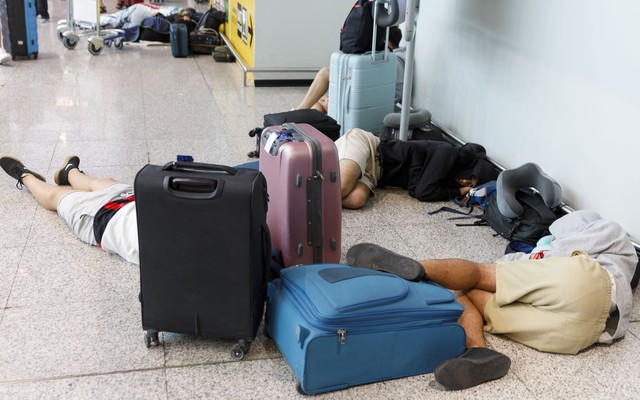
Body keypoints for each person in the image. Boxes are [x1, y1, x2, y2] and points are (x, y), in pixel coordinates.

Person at [346, 210, 638, 390]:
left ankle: (418, 266)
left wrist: (543, 250)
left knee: (476, 274)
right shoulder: (525, 258)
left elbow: (493, 271)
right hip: (582, 335)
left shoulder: (606, 230)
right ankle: (479, 353)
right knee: (463, 291)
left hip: (591, 285)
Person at [0, 156, 139, 264]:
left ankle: (26, 177)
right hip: (135, 202)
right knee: (105, 182)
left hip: (106, 219)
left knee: (56, 195)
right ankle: (70, 173)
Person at [337, 128, 498, 209]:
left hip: (375, 175)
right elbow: (422, 191)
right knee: (342, 188)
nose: (464, 181)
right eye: (469, 176)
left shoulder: (447, 176)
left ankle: (319, 192)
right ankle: (312, 201)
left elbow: (419, 189)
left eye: (470, 184)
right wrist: (459, 191)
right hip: (370, 147)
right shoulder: (447, 153)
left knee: (356, 199)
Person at [295, 26, 405, 113]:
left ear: (388, 43)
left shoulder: (392, 61)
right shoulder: (398, 60)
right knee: (320, 99)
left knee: (326, 73)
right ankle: (303, 115)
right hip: (376, 103)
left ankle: (299, 113)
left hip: (372, 107)